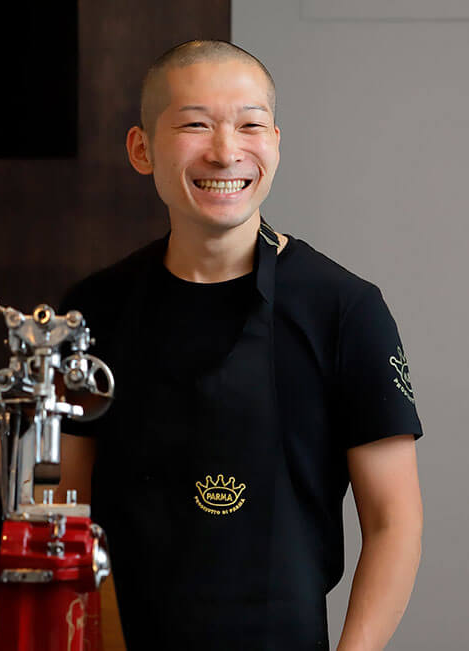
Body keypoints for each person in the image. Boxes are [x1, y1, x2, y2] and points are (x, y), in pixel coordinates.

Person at [59, 41, 423, 650]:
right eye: (195, 125)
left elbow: (394, 522)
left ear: (275, 143)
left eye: (250, 126)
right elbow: (64, 508)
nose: (226, 151)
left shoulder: (345, 310)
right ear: (141, 149)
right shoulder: (94, 310)